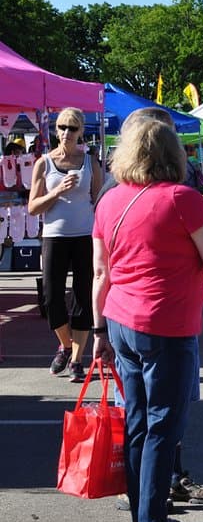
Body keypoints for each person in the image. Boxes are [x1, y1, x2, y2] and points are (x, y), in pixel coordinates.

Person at [91, 118, 203, 522]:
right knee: (162, 427)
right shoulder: (183, 200)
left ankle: (145, 515)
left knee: (138, 422)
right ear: (174, 154)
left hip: (120, 320)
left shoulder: (110, 201)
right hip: (165, 324)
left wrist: (97, 330)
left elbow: (101, 271)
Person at [28, 107, 103, 383]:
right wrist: (57, 191)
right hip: (54, 236)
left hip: (84, 235)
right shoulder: (44, 163)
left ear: (82, 131)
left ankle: (76, 359)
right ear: (55, 130)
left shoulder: (89, 162)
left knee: (83, 297)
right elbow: (33, 207)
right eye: (61, 127)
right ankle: (65, 343)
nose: (66, 133)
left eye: (72, 128)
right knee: (51, 297)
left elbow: (100, 201)